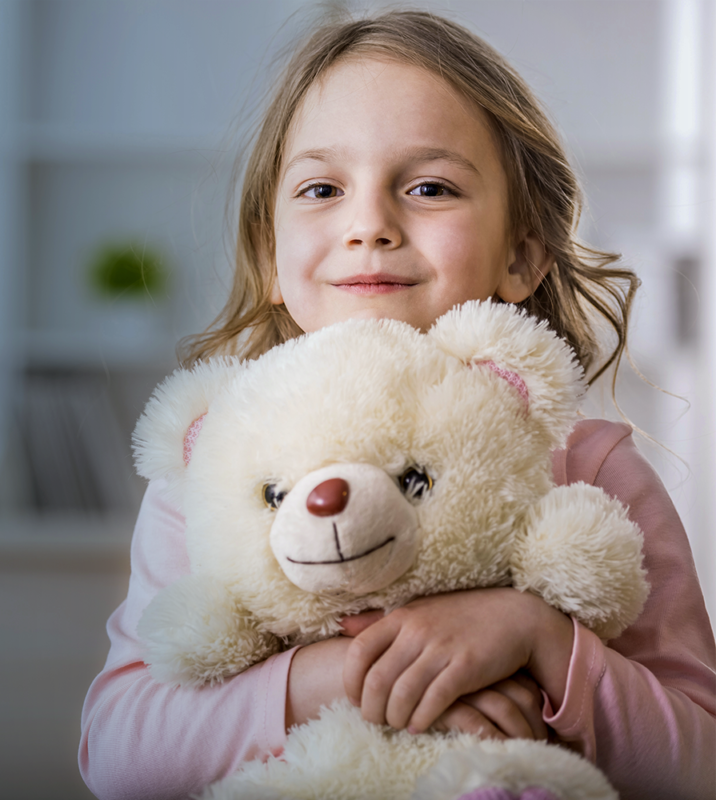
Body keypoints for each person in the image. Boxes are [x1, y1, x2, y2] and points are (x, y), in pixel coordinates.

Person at [79, 11, 716, 799]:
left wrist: (538, 640)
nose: (369, 225)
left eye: (428, 187)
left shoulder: (591, 472)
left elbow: (699, 765)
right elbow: (116, 754)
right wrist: (345, 676)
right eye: (321, 188)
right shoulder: (214, 473)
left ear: (521, 254)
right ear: (270, 255)